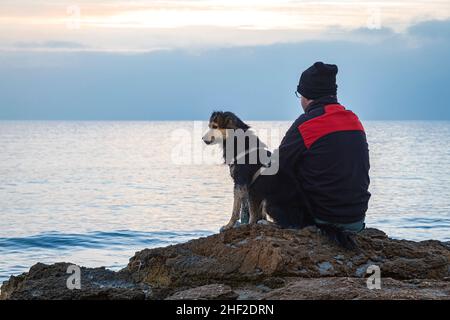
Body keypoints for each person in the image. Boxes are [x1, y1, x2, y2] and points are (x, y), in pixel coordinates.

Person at [276, 62, 370, 232]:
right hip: (356, 221)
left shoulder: (307, 124)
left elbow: (276, 167)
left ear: (307, 96)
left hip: (322, 221)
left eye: (300, 95)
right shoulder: (354, 120)